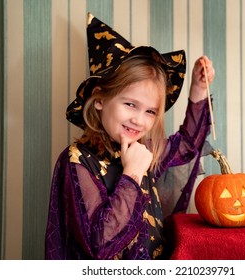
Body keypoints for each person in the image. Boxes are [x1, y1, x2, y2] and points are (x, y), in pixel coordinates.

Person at [45, 13, 215, 260]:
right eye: (130, 104)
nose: (139, 119)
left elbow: (187, 146)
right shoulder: (78, 160)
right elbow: (99, 245)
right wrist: (133, 174)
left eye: (150, 111)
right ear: (101, 97)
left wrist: (199, 90)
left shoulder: (144, 149)